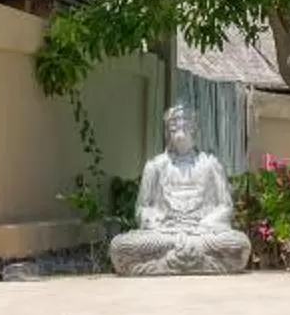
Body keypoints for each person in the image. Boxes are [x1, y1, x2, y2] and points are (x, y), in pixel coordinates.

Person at [108, 106, 252, 275]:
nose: (180, 133)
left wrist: (205, 224)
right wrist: (154, 219)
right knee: (120, 246)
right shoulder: (155, 166)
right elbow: (142, 208)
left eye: (186, 126)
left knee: (239, 244)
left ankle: (161, 263)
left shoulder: (210, 165)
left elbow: (225, 206)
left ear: (196, 130)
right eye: (174, 127)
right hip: (164, 234)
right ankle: (201, 262)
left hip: (202, 234)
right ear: (167, 132)